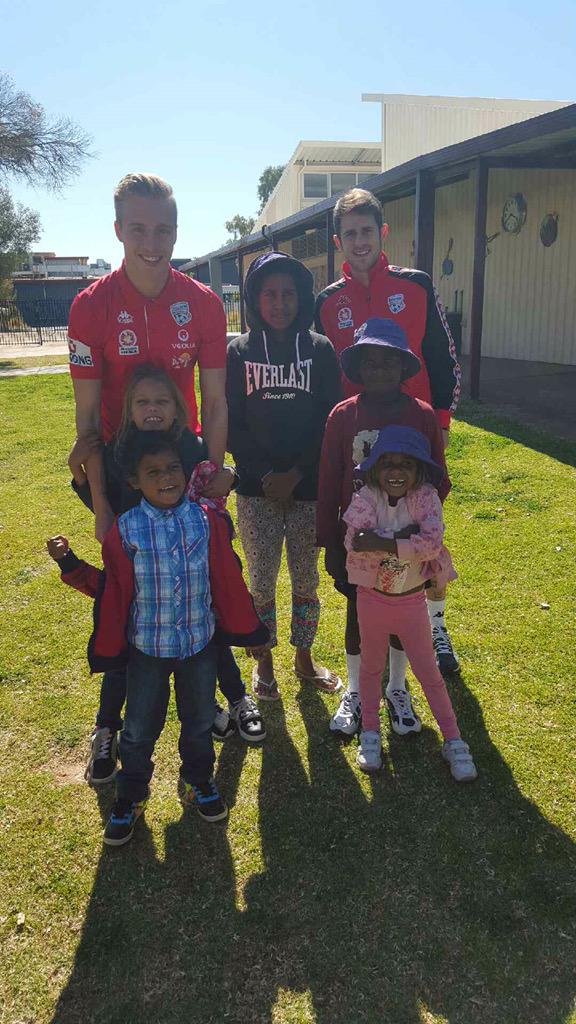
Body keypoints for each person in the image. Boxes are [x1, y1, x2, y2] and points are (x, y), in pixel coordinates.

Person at [47, 433, 269, 846]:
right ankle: (131, 796)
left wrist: (250, 630)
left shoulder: (207, 521)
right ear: (133, 481)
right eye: (153, 472)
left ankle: (198, 781)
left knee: (200, 724)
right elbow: (111, 592)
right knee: (138, 731)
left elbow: (228, 581)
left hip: (199, 649)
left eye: (172, 468)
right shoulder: (125, 531)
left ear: (186, 474)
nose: (165, 477)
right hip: (146, 652)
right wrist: (71, 566)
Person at [70, 365, 265, 787]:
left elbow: (211, 484)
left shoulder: (192, 446)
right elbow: (103, 503)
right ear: (128, 409)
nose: (152, 410)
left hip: (191, 560)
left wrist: (230, 476)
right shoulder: (118, 449)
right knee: (128, 655)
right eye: (142, 402)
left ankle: (231, 702)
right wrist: (78, 474)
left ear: (178, 409)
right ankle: (109, 730)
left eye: (162, 401)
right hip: (141, 566)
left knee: (210, 638)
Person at [315, 188, 461, 678]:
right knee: (369, 539)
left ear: (383, 233)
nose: (359, 242)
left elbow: (443, 362)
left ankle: (433, 623)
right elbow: (326, 377)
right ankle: (368, 654)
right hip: (358, 444)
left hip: (414, 445)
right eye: (349, 234)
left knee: (424, 536)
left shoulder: (415, 284)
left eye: (366, 231)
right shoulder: (328, 302)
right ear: (339, 241)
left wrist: (436, 429)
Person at [67, 172, 232, 543]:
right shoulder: (90, 306)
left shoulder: (205, 304)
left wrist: (214, 471)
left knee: (198, 582)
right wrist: (102, 505)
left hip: (183, 460)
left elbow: (216, 400)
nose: (151, 243)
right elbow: (88, 416)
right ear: (118, 229)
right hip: (121, 462)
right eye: (138, 229)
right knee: (131, 586)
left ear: (176, 231)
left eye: (163, 230)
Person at [316, 317, 449, 737]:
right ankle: (356, 689)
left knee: (402, 614)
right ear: (357, 368)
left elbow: (438, 480)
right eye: (369, 362)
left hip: (407, 548)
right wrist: (331, 542)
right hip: (359, 546)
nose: (379, 370)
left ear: (403, 366)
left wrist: (416, 531)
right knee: (359, 616)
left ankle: (395, 687)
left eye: (388, 361)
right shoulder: (343, 416)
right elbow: (328, 479)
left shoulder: (421, 416)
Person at [227, 251, 342, 700]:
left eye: (288, 294)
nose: (279, 303)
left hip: (307, 488)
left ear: (302, 297)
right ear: (254, 298)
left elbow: (329, 418)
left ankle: (304, 656)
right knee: (260, 579)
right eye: (269, 294)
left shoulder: (319, 348)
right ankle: (266, 661)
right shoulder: (238, 351)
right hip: (257, 491)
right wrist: (263, 474)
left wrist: (296, 473)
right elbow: (233, 421)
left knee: (306, 578)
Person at [343, 425, 476, 781]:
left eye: (406, 464)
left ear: (419, 470)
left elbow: (432, 544)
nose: (396, 471)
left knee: (428, 672)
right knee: (371, 668)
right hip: (371, 599)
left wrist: (384, 541)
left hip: (412, 601)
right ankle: (370, 732)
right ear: (374, 468)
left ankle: (453, 739)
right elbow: (354, 541)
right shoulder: (366, 497)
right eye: (387, 463)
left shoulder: (426, 498)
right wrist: (405, 537)